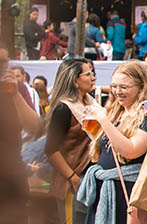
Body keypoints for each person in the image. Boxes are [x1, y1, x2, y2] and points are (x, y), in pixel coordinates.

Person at [77, 61, 147, 223]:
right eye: (114, 86)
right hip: (104, 189)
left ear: (141, 86)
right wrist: (93, 130)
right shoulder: (116, 111)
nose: (117, 92)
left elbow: (131, 150)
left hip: (127, 192)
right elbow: (109, 146)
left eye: (124, 87)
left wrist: (103, 119)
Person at [44, 58, 98, 224]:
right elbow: (51, 150)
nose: (93, 77)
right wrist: (73, 178)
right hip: (73, 182)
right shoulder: (63, 108)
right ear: (75, 80)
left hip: (91, 178)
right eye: (88, 74)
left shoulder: (92, 103)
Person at [0, 48, 41, 222]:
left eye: (5, 61)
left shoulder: (15, 87)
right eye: (1, 62)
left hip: (12, 179)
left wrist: (15, 94)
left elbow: (34, 127)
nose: (4, 66)